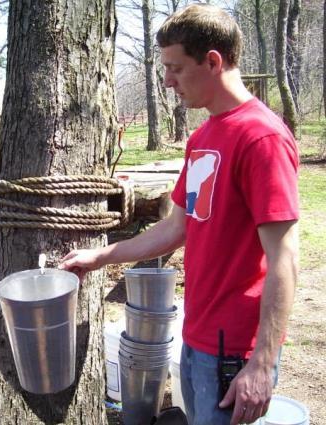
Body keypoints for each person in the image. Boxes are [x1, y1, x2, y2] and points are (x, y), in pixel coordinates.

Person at [59, 4, 299, 425]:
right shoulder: (203, 137)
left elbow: (285, 259)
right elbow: (176, 228)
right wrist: (100, 257)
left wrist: (262, 362)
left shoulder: (262, 138)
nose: (167, 81)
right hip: (195, 335)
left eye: (175, 68)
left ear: (212, 61)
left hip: (234, 351)